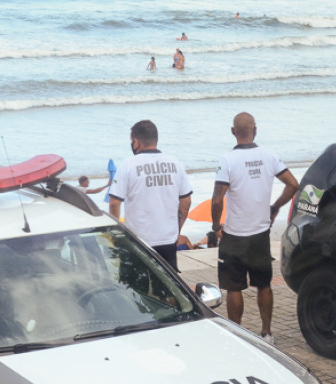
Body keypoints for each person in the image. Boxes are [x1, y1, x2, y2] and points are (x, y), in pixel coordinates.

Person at [211, 112, 299, 345]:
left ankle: (237, 334)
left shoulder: (227, 160)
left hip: (234, 235)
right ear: (255, 130)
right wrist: (275, 207)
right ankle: (267, 333)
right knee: (264, 284)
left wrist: (215, 225)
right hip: (260, 234)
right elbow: (293, 185)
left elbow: (217, 199)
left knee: (233, 288)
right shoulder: (270, 156)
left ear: (233, 132)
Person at [109, 120, 192, 270]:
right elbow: (186, 202)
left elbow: (114, 202)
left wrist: (117, 234)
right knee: (167, 289)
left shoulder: (128, 165)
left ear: (136, 141)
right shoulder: (175, 163)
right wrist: (176, 230)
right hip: (168, 240)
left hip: (138, 240)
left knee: (136, 289)